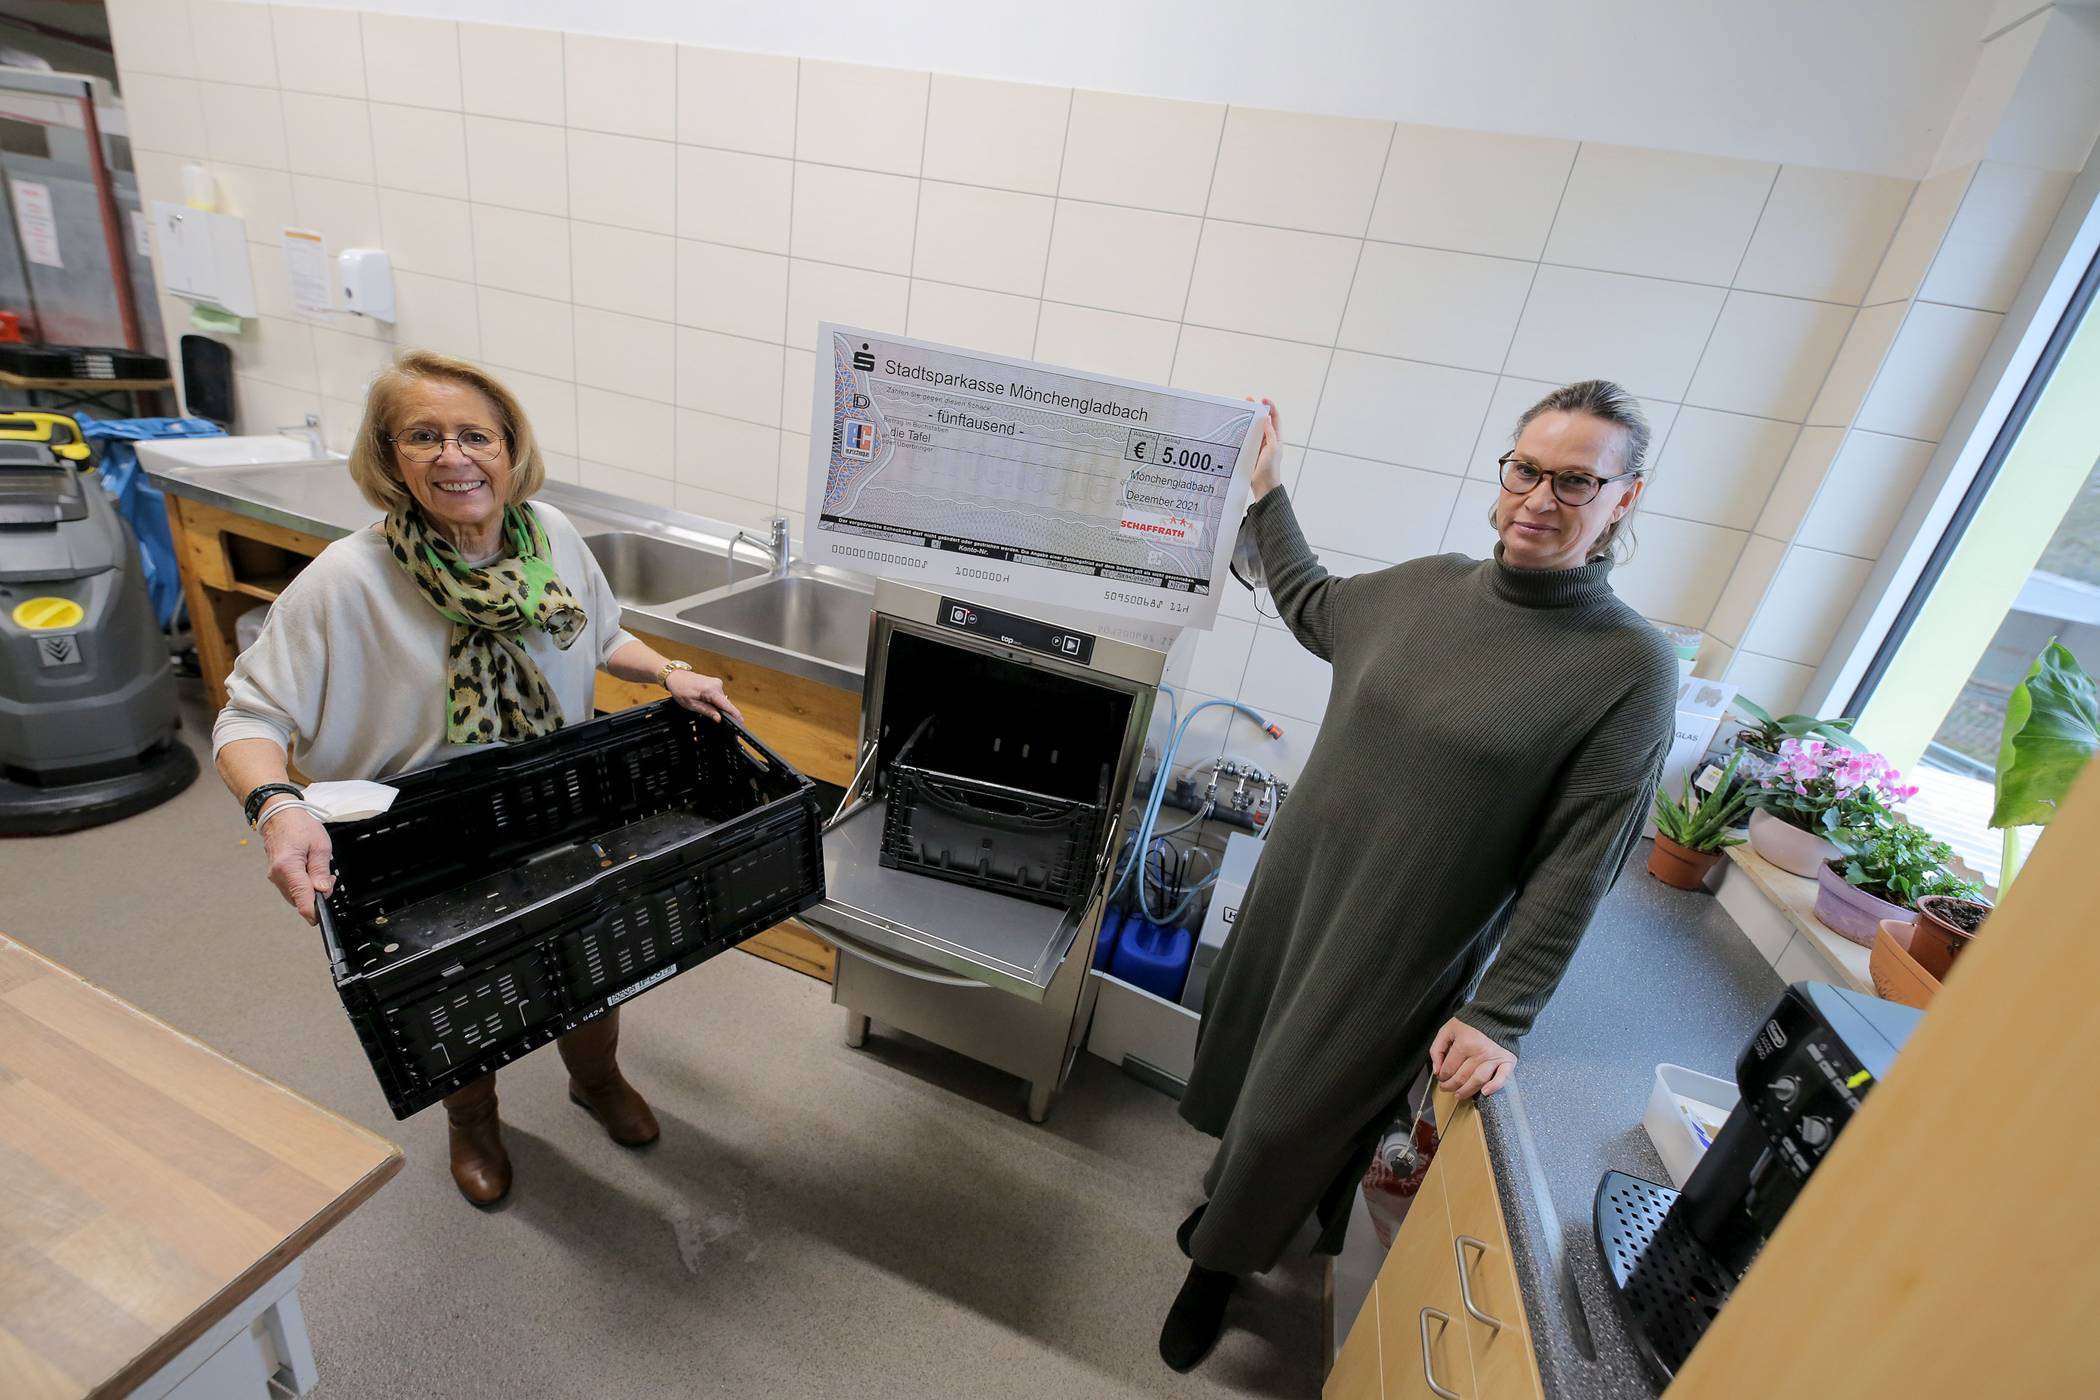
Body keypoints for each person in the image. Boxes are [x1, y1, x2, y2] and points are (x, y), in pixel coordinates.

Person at [1160, 381, 1679, 1371]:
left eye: (1576, 480)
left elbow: (1583, 859)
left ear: (1625, 498)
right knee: (1249, 1057)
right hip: (1299, 889)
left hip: (1401, 936)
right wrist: (1269, 488)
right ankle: (1241, 1219)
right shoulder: (1431, 585)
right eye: (1527, 468)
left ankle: (1216, 1268)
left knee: (1287, 1117)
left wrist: (1503, 1012)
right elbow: (1315, 604)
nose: (1539, 496)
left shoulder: (1628, 665)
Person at [213, 350, 744, 1206]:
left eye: (476, 436)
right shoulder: (348, 581)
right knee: (460, 991)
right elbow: (247, 718)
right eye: (424, 437)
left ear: (509, 450)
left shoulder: (552, 537)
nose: (454, 456)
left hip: (553, 803)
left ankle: (596, 1080)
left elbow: (602, 634)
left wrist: (669, 670)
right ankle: (474, 1121)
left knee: (593, 951)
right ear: (389, 459)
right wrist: (275, 805)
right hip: (421, 830)